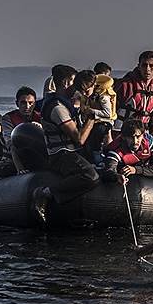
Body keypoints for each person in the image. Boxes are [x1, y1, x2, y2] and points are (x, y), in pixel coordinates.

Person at [32, 65, 100, 224]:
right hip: (61, 155)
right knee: (90, 176)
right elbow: (79, 139)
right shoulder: (57, 108)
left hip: (73, 153)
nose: (77, 85)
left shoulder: (68, 103)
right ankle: (45, 193)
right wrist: (92, 117)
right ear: (65, 82)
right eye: (74, 81)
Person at [114, 50, 153, 137]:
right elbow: (111, 110)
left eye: (151, 66)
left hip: (143, 135)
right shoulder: (126, 85)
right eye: (144, 65)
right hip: (121, 133)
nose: (147, 69)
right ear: (138, 67)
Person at [102, 119, 153, 184]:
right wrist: (117, 177)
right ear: (123, 137)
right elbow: (109, 171)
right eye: (131, 137)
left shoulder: (150, 142)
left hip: (142, 176)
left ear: (143, 135)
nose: (135, 141)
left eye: (138, 136)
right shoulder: (115, 149)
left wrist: (136, 170)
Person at [83, 63, 117, 158]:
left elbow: (107, 113)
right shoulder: (95, 93)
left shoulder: (104, 95)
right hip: (96, 123)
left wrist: (91, 111)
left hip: (103, 124)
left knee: (97, 147)